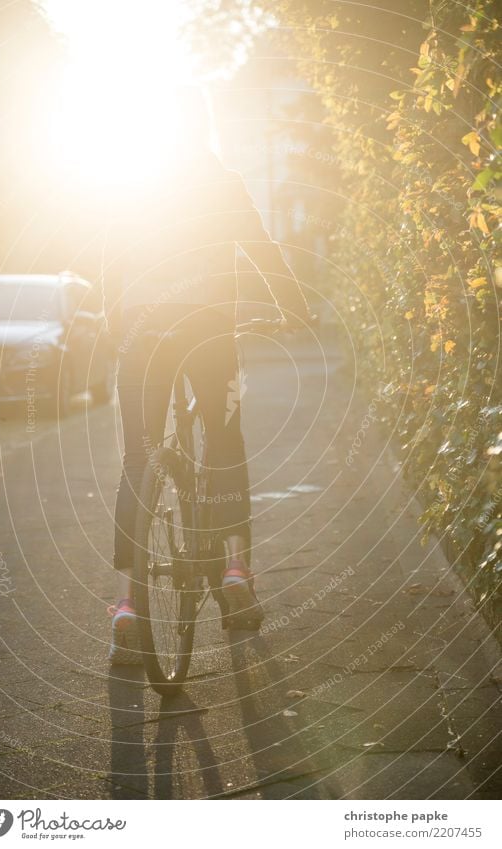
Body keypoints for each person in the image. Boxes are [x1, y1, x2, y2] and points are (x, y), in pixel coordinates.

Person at [102, 88, 313, 663]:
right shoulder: (224, 182)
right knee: (224, 440)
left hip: (142, 333)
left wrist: (111, 321)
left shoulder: (135, 187)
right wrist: (293, 306)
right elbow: (260, 249)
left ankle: (125, 602)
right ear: (204, 129)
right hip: (210, 331)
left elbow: (109, 258)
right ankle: (235, 572)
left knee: (139, 459)